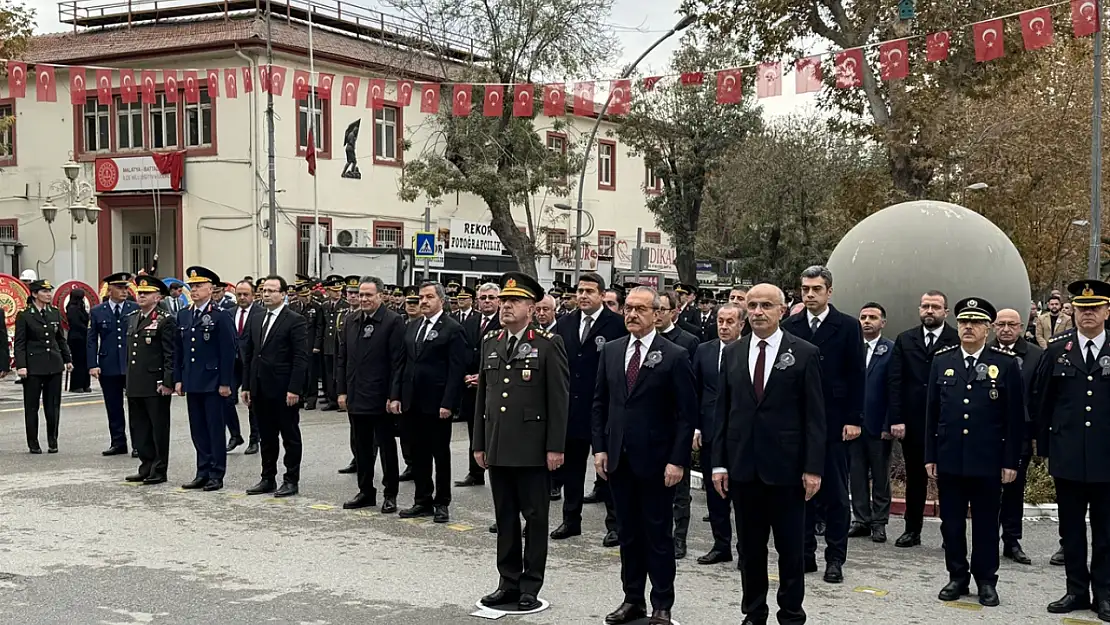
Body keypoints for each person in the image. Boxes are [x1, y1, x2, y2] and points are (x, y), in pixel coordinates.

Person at [711, 283, 825, 625]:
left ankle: (791, 614)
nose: (758, 312)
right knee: (750, 550)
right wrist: (718, 463)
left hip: (787, 471)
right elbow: (722, 412)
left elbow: (815, 416)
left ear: (782, 310)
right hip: (744, 468)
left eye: (766, 306)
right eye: (753, 305)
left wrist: (813, 468)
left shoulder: (804, 353)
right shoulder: (733, 352)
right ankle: (754, 612)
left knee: (791, 551)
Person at [593, 286, 696, 625]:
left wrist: (677, 460)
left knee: (658, 535)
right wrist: (601, 449)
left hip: (657, 462)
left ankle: (662, 603)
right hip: (619, 459)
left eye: (640, 309)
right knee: (628, 534)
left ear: (656, 314)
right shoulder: (611, 351)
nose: (632, 314)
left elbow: (685, 415)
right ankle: (632, 598)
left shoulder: (675, 355)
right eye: (628, 309)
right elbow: (600, 404)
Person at [474, 272, 569, 611]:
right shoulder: (492, 342)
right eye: (503, 300)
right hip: (498, 446)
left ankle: (531, 584)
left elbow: (559, 400)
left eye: (513, 301)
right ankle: (507, 581)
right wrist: (479, 443)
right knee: (505, 518)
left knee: (536, 518)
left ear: (531, 306)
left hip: (532, 448)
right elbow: (483, 399)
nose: (505, 306)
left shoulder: (547, 343)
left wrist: (555, 446)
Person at [927, 297, 1024, 607]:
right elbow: (931, 413)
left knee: (984, 523)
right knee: (951, 523)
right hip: (951, 457)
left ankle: (986, 580)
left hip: (987, 459)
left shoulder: (1005, 364)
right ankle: (957, 576)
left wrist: (1011, 460)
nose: (968, 327)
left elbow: (1013, 419)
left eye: (976, 322)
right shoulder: (942, 361)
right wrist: (931, 455)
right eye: (964, 322)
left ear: (988, 328)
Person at [781, 266, 864, 584]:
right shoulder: (791, 325)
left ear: (829, 291)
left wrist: (854, 419)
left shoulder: (846, 326)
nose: (810, 294)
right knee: (799, 493)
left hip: (833, 422)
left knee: (836, 496)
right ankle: (805, 554)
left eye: (816, 289)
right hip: (797, 423)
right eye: (805, 289)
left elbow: (858, 374)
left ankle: (835, 558)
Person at [1033, 280, 1110, 621]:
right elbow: (1043, 402)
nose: (1088, 314)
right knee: (1072, 530)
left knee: (1107, 532)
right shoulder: (1057, 349)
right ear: (1073, 312)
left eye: (1095, 308)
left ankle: (1104, 594)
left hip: (1107, 460)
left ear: (1107, 311)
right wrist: (1045, 449)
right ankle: (1076, 591)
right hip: (1067, 458)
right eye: (1082, 308)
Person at [552, 272, 627, 546]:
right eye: (580, 291)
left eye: (589, 291)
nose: (583, 295)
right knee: (572, 470)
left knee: (606, 469)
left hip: (604, 409)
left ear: (601, 295)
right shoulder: (564, 323)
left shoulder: (616, 325)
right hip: (572, 408)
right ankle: (571, 520)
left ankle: (615, 524)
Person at [887, 290, 959, 548]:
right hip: (915, 422)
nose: (930, 311)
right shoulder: (905, 339)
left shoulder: (956, 338)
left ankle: (950, 534)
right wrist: (896, 419)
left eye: (936, 307)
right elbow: (895, 382)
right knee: (915, 478)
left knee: (949, 480)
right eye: (925, 306)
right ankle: (912, 529)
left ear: (945, 312)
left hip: (948, 421)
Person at [397, 282, 468, 523]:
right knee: (418, 454)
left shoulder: (452, 329)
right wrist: (396, 395)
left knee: (440, 454)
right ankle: (422, 500)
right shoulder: (412, 326)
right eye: (420, 297)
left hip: (437, 403)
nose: (423, 301)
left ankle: (442, 502)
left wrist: (448, 403)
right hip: (411, 401)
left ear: (441, 300)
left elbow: (456, 370)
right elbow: (403, 363)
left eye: (429, 297)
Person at [337, 276, 405, 513]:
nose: (363, 299)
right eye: (361, 294)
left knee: (386, 448)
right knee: (362, 447)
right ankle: (365, 491)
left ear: (380, 295)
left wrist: (393, 395)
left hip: (381, 397)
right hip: (356, 395)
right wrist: (342, 391)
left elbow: (398, 363)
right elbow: (343, 359)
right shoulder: (351, 320)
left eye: (368, 295)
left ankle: (390, 493)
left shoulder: (393, 321)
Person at [241, 275, 310, 498]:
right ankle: (267, 477)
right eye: (264, 290)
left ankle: (291, 479)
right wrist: (247, 385)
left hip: (283, 389)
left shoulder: (295, 320)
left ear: (283, 294)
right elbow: (250, 355)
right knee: (267, 436)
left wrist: (295, 388)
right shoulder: (256, 318)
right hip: (260, 387)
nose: (266, 294)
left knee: (289, 436)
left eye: (272, 290)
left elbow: (300, 358)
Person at [175, 266, 235, 492]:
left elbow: (228, 351)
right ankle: (202, 471)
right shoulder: (184, 314)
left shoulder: (220, 316)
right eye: (192, 286)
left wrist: (225, 382)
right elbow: (180, 350)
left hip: (213, 381)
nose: (194, 290)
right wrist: (179, 378)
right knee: (198, 429)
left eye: (199, 286)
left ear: (211, 289)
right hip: (193, 380)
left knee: (214, 429)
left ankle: (216, 473)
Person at [992, 307, 1043, 565]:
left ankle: (1011, 540)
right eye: (1001, 324)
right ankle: (986, 539)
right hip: (987, 433)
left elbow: (1039, 399)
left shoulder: (1035, 356)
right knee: (987, 490)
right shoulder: (986, 352)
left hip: (1019, 433)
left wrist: (1036, 436)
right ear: (993, 327)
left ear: (1021, 327)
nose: (1006, 329)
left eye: (1012, 324)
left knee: (1013, 491)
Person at [692, 303, 742, 566]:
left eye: (729, 322)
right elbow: (696, 391)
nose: (723, 326)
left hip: (742, 434)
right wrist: (697, 427)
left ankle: (746, 549)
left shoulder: (747, 351)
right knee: (716, 492)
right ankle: (721, 545)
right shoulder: (704, 351)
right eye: (720, 321)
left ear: (740, 325)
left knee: (743, 494)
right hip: (712, 431)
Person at [848, 302, 895, 544]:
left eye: (873, 317)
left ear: (883, 323)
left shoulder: (890, 350)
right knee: (856, 475)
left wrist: (890, 424)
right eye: (863, 316)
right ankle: (861, 519)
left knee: (880, 476)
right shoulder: (851, 348)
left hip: (879, 426)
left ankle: (879, 522)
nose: (867, 321)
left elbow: (894, 390)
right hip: (854, 425)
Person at [124, 275, 176, 485]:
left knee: (158, 428)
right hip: (136, 381)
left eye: (146, 293)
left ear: (158, 297)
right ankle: (145, 465)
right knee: (139, 427)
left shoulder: (165, 319)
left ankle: (159, 469)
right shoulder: (133, 317)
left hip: (155, 383)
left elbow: (169, 354)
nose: (141, 295)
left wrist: (168, 381)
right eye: (140, 292)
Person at [15, 279, 73, 453]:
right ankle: (33, 442)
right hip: (33, 366)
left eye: (50, 291)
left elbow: (60, 339)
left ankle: (52, 439)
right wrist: (21, 365)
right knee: (32, 406)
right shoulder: (25, 315)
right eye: (44, 292)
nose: (49, 295)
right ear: (34, 294)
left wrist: (67, 358)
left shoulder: (54, 313)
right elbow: (20, 343)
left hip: (53, 364)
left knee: (53, 405)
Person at [88, 272, 139, 456]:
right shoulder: (97, 311)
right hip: (108, 364)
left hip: (130, 363)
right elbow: (92, 339)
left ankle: (138, 444)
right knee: (113, 405)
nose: (124, 291)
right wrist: (92, 364)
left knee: (135, 405)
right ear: (109, 290)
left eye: (126, 288)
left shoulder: (134, 308)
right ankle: (118, 442)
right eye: (119, 288)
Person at [457, 282, 502, 488]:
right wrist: (466, 375)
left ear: (499, 300)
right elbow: (462, 352)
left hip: (493, 385)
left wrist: (481, 375)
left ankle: (496, 471)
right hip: (470, 387)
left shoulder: (504, 323)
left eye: (491, 298)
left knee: (495, 431)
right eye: (483, 298)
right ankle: (475, 473)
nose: (487, 301)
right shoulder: (470, 322)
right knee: (474, 430)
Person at [226, 279, 261, 455]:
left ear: (253, 295)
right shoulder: (229, 313)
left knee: (252, 402)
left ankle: (255, 439)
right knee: (226, 398)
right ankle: (235, 435)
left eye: (245, 294)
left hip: (252, 363)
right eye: (239, 294)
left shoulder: (260, 313)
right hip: (233, 363)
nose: (242, 297)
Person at [336, 275, 362, 474]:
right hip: (351, 377)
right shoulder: (345, 316)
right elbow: (342, 353)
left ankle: (364, 458)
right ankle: (357, 457)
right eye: (351, 293)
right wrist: (341, 390)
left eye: (356, 293)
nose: (353, 297)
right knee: (354, 426)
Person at [288, 276, 324, 410]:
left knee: (311, 373)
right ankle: (301, 396)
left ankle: (311, 398)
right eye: (303, 295)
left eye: (308, 294)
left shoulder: (316, 306)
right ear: (298, 296)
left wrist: (317, 345)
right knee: (299, 371)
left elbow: (320, 326)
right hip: (297, 344)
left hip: (311, 343)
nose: (306, 298)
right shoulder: (293, 307)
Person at [320, 275, 348, 411]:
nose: (337, 293)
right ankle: (331, 399)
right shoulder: (325, 305)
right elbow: (322, 326)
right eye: (334, 290)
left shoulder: (346, 305)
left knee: (339, 373)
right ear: (328, 291)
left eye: (339, 290)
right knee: (329, 374)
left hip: (340, 344)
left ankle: (341, 398)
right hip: (328, 345)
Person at [657, 290, 699, 359]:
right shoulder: (645, 336)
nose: (657, 314)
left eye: (662, 310)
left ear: (672, 312)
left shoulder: (689, 341)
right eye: (654, 309)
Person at [65, 288, 91, 393]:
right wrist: (87, 329)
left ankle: (85, 384)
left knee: (85, 361)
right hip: (76, 337)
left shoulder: (81, 308)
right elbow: (76, 323)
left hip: (84, 336)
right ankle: (76, 385)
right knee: (78, 361)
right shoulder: (72, 308)